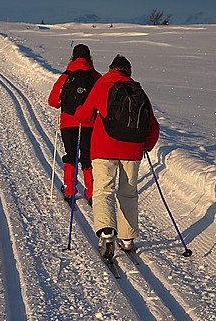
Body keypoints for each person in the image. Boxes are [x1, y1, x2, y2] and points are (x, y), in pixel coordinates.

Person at [75, 54, 159, 258]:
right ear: (128, 72)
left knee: (103, 189)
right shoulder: (139, 91)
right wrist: (145, 146)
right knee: (128, 192)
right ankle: (128, 239)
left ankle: (106, 233)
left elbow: (84, 115)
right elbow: (153, 125)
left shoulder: (102, 86)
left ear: (111, 69)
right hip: (132, 150)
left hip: (104, 148)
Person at [48, 44, 101, 204]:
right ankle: (91, 192)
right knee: (87, 156)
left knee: (71, 155)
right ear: (89, 58)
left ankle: (70, 190)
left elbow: (52, 101)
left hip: (68, 122)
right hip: (88, 123)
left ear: (72, 57)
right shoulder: (95, 76)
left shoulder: (66, 75)